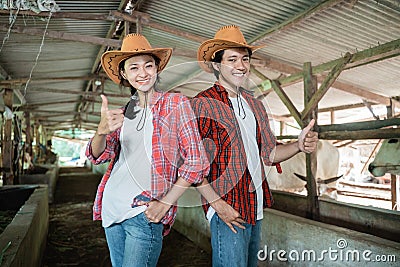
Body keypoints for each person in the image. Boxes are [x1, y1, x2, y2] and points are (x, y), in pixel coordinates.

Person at [191, 25, 319, 267]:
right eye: (232, 59)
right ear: (216, 65)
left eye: (245, 59)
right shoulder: (203, 104)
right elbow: (191, 164)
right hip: (227, 207)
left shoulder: (255, 105)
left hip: (254, 203)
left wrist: (298, 145)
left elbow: (269, 153)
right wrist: (218, 206)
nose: (241, 66)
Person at [86, 33, 209, 267]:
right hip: (112, 209)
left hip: (144, 213)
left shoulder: (175, 104)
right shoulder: (123, 113)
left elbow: (196, 160)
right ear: (124, 74)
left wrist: (165, 203)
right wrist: (100, 132)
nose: (142, 73)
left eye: (148, 65)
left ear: (157, 69)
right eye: (134, 68)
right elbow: (98, 155)